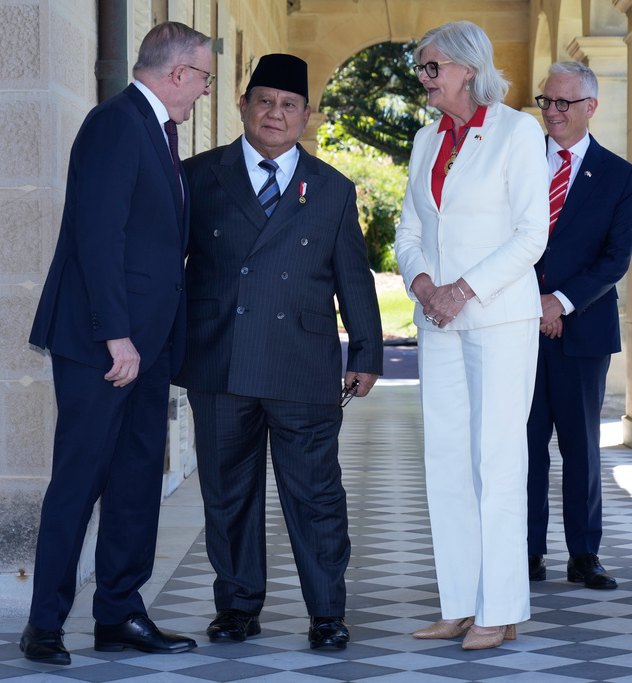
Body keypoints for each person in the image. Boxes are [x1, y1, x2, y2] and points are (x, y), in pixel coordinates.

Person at [20, 22, 213, 665]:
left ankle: (120, 615)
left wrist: (145, 340)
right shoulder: (115, 123)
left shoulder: (160, 131)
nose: (206, 90)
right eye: (206, 76)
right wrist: (116, 335)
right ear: (179, 73)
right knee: (80, 479)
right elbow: (96, 236)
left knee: (135, 481)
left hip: (147, 344)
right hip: (104, 342)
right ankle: (44, 625)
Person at [177, 53, 383, 651]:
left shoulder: (333, 189)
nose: (275, 113)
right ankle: (238, 606)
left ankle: (326, 611)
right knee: (228, 491)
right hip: (221, 358)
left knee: (315, 494)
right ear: (242, 106)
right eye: (264, 100)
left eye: (288, 104)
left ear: (306, 117)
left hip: (302, 362)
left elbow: (355, 276)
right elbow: (169, 267)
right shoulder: (198, 176)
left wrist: (366, 350)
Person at [394, 21, 548, 650]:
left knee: (497, 461)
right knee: (447, 463)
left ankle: (501, 607)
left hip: (499, 318)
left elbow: (530, 235)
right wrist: (425, 285)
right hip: (439, 322)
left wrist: (464, 289)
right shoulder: (426, 139)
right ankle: (459, 603)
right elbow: (409, 229)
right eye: (423, 68)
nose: (424, 79)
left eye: (431, 67)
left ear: (465, 68)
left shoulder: (518, 131)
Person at [526, 62, 632, 590]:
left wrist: (560, 303)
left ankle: (583, 554)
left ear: (590, 107)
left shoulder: (618, 175)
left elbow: (615, 259)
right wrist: (534, 304)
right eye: (546, 100)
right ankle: (525, 552)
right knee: (523, 446)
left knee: (580, 448)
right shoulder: (520, 162)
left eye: (563, 103)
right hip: (518, 327)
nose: (551, 111)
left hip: (584, 330)